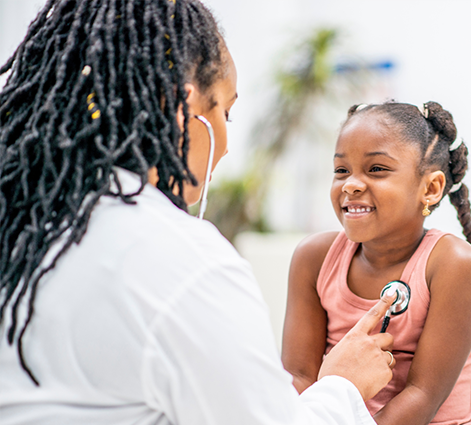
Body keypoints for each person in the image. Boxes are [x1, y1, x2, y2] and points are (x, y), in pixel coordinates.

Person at [0, 0, 398, 423]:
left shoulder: (22, 225)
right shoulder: (181, 261)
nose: (225, 145)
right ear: (183, 108)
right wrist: (343, 386)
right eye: (224, 112)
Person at [282, 101, 471, 425]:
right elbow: (299, 377)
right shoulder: (313, 258)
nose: (351, 184)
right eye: (341, 170)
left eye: (376, 169)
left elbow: (422, 395)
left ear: (430, 189)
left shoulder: (453, 264)